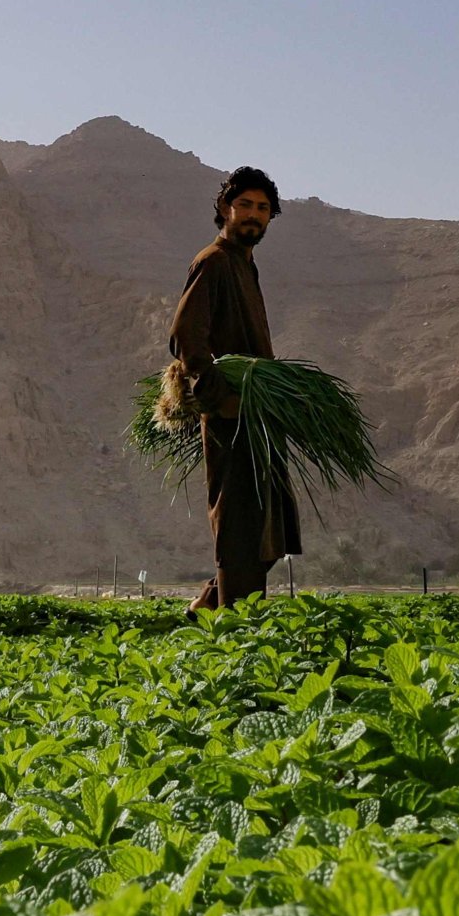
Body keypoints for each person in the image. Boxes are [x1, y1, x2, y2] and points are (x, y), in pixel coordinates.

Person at [171, 166, 299, 610]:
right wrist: (215, 392)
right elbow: (186, 334)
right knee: (241, 527)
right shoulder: (214, 261)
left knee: (271, 530)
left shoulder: (246, 265)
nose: (253, 215)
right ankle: (232, 631)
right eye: (245, 205)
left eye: (263, 208)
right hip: (231, 415)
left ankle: (206, 607)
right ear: (225, 208)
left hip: (259, 415)